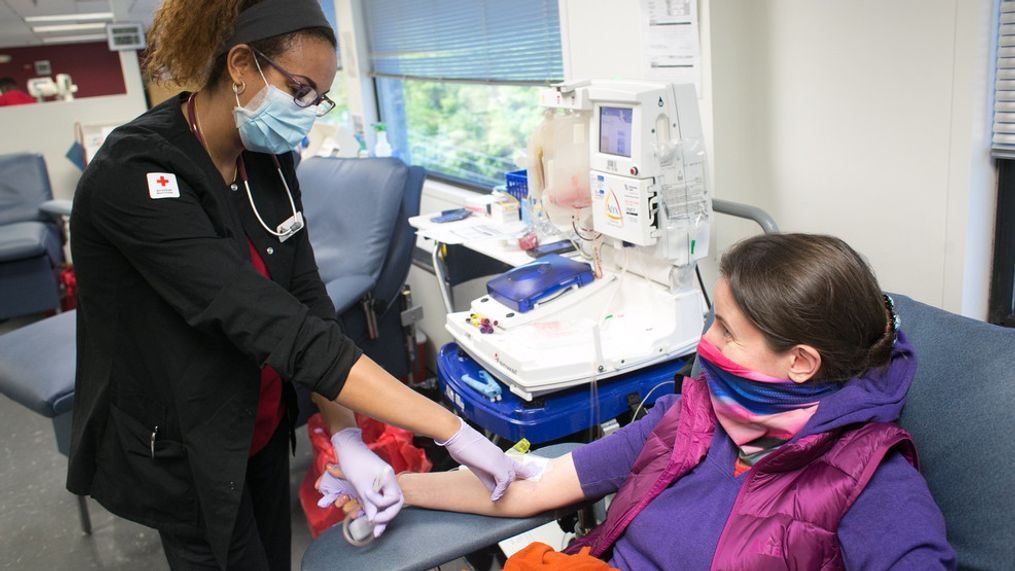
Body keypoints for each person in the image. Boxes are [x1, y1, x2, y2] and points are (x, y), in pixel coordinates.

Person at [66, 1, 529, 569]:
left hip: (255, 420)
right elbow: (263, 317)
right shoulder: (134, 173)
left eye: (318, 97)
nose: (308, 113)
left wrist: (346, 435)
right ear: (241, 64)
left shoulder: (266, 158)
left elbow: (307, 302)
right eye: (301, 90)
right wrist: (449, 429)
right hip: (187, 445)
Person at [360, 234, 956, 569]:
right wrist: (395, 484)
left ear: (800, 362)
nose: (704, 345)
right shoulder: (697, 416)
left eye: (725, 330)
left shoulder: (872, 485)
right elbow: (535, 485)